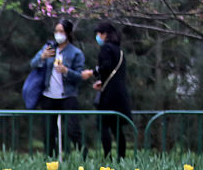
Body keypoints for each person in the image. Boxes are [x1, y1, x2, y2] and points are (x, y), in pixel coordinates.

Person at [30, 19, 85, 157]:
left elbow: (80, 76)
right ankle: (50, 161)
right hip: (48, 96)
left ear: (68, 33)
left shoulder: (76, 53)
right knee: (48, 132)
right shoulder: (48, 47)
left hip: (67, 96)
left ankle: (83, 159)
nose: (58, 34)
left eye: (61, 31)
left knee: (73, 130)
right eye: (56, 31)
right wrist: (42, 57)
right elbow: (33, 63)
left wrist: (66, 71)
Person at [83, 21, 132, 158]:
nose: (98, 37)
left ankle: (108, 156)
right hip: (120, 93)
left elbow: (105, 66)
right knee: (117, 128)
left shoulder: (106, 49)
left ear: (105, 34)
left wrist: (92, 72)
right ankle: (121, 157)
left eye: (99, 34)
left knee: (103, 124)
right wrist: (103, 82)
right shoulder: (119, 50)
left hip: (109, 95)